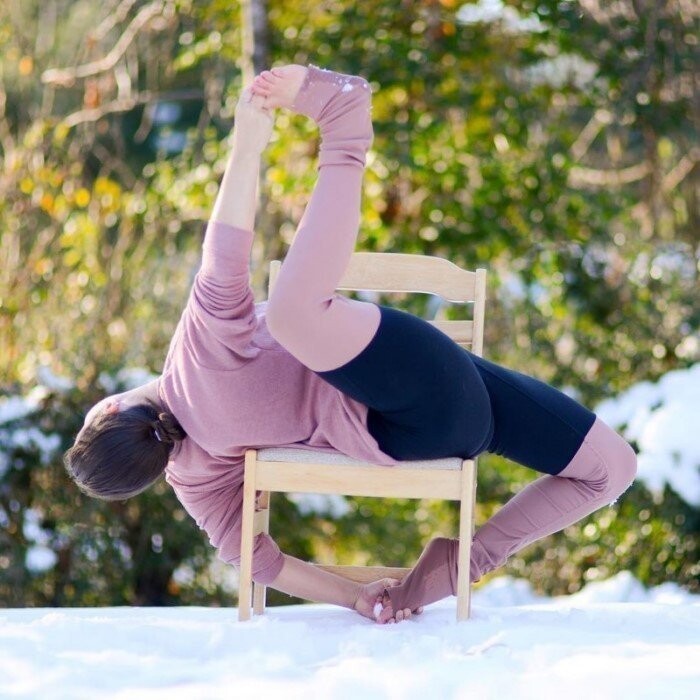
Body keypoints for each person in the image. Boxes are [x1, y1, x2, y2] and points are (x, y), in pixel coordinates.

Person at [65, 64, 637, 625]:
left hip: (438, 420)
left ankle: (464, 564)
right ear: (108, 408)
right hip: (422, 393)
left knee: (611, 468)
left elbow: (256, 561)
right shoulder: (193, 362)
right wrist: (245, 148)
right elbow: (225, 251)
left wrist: (356, 599)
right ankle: (344, 119)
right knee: (293, 315)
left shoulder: (190, 475)